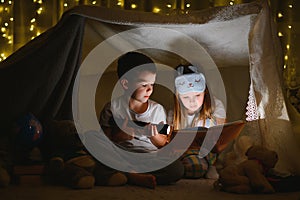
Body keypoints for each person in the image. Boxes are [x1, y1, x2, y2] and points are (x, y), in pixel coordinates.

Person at [97, 51, 183, 188]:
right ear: (125, 84)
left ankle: (125, 174)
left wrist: (154, 136)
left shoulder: (158, 110)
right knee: (92, 138)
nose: (150, 89)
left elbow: (162, 143)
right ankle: (131, 175)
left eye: (152, 84)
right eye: (144, 85)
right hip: (120, 155)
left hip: (147, 158)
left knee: (176, 168)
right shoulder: (112, 107)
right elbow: (105, 139)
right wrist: (120, 136)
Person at [172, 64, 226, 180]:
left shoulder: (216, 106)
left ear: (205, 92)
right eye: (186, 97)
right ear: (178, 96)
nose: (192, 101)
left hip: (208, 151)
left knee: (196, 167)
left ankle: (210, 166)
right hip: (183, 152)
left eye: (197, 95)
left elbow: (222, 136)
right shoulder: (174, 115)